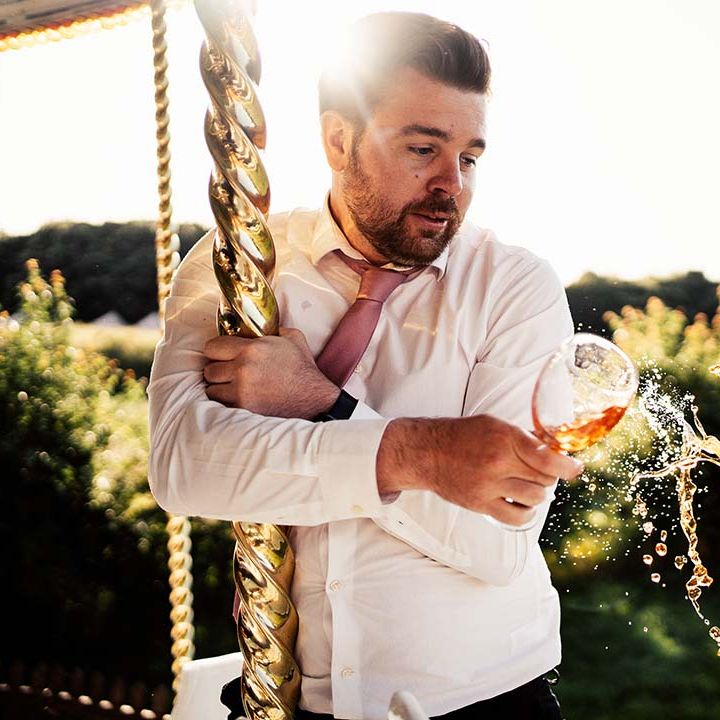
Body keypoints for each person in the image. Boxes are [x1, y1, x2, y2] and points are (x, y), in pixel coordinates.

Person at [148, 11, 584, 720]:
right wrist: (425, 461)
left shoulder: (515, 289)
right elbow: (184, 466)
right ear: (338, 140)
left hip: (485, 705)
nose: (452, 184)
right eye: (423, 148)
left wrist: (323, 404)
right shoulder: (239, 265)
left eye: (469, 157)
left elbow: (497, 539)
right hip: (288, 701)